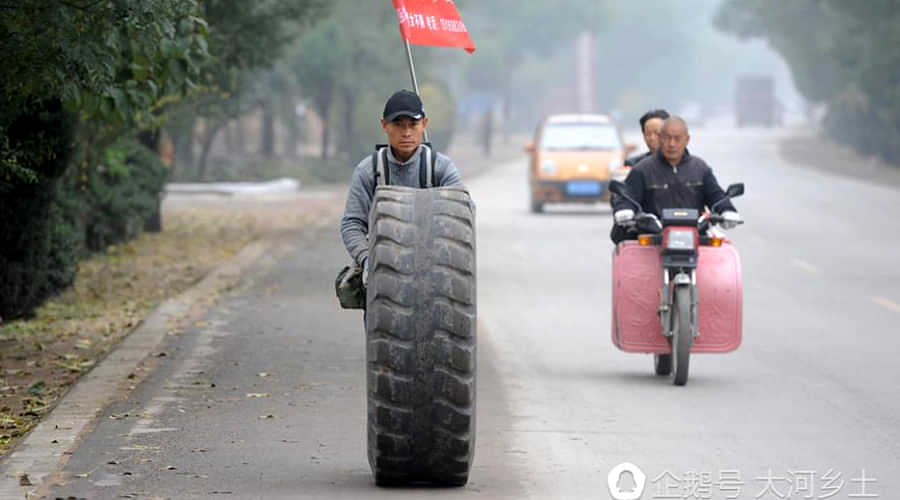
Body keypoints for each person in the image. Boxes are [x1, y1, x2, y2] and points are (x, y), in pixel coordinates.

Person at [340, 89, 462, 282]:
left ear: (424, 124)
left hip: (435, 269)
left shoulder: (442, 169)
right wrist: (367, 260)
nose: (406, 133)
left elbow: (462, 218)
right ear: (384, 125)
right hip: (383, 271)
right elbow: (352, 224)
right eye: (398, 124)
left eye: (413, 124)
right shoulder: (368, 171)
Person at [611, 116, 741, 242]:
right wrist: (624, 210)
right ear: (660, 139)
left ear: (687, 139)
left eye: (677, 138)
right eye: (667, 138)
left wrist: (727, 210)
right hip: (653, 240)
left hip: (696, 238)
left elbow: (716, 195)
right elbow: (628, 197)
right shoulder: (642, 169)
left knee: (724, 258)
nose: (672, 144)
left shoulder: (700, 168)